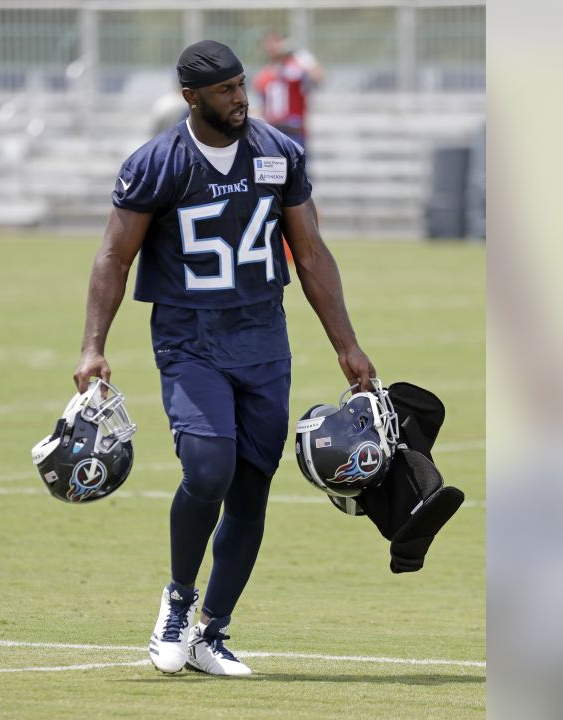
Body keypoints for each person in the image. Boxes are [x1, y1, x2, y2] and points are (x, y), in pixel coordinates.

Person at [72, 40, 376, 677]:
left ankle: (213, 631)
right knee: (208, 467)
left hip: (264, 338)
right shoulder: (159, 163)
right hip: (189, 338)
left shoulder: (277, 154)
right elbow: (113, 257)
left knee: (251, 489)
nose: (241, 98)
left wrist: (346, 345)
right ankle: (177, 604)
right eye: (226, 90)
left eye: (242, 86)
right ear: (191, 97)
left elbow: (312, 254)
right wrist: (93, 345)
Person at [252, 31, 324, 148]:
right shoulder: (263, 75)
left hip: (293, 131)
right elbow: (261, 106)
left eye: (275, 42)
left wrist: (301, 53)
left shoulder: (296, 68)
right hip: (272, 132)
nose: (272, 47)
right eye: (268, 43)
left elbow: (318, 77)